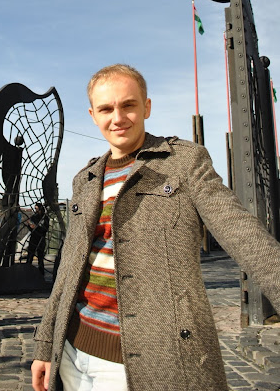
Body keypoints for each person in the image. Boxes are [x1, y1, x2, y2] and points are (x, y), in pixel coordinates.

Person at [31, 64, 280, 391]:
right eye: (106, 109)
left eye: (128, 105)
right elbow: (68, 269)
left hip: (155, 358)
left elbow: (241, 232)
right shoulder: (85, 178)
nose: (117, 117)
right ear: (93, 115)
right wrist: (45, 344)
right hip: (73, 352)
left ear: (146, 107)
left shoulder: (184, 161)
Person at [26, 202, 49, 275]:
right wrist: (30, 226)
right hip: (33, 238)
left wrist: (36, 227)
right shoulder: (33, 217)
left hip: (41, 238)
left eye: (37, 209)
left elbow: (45, 228)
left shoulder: (45, 218)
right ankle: (27, 271)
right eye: (35, 208)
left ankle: (41, 273)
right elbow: (29, 226)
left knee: (40, 257)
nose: (36, 210)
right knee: (30, 256)